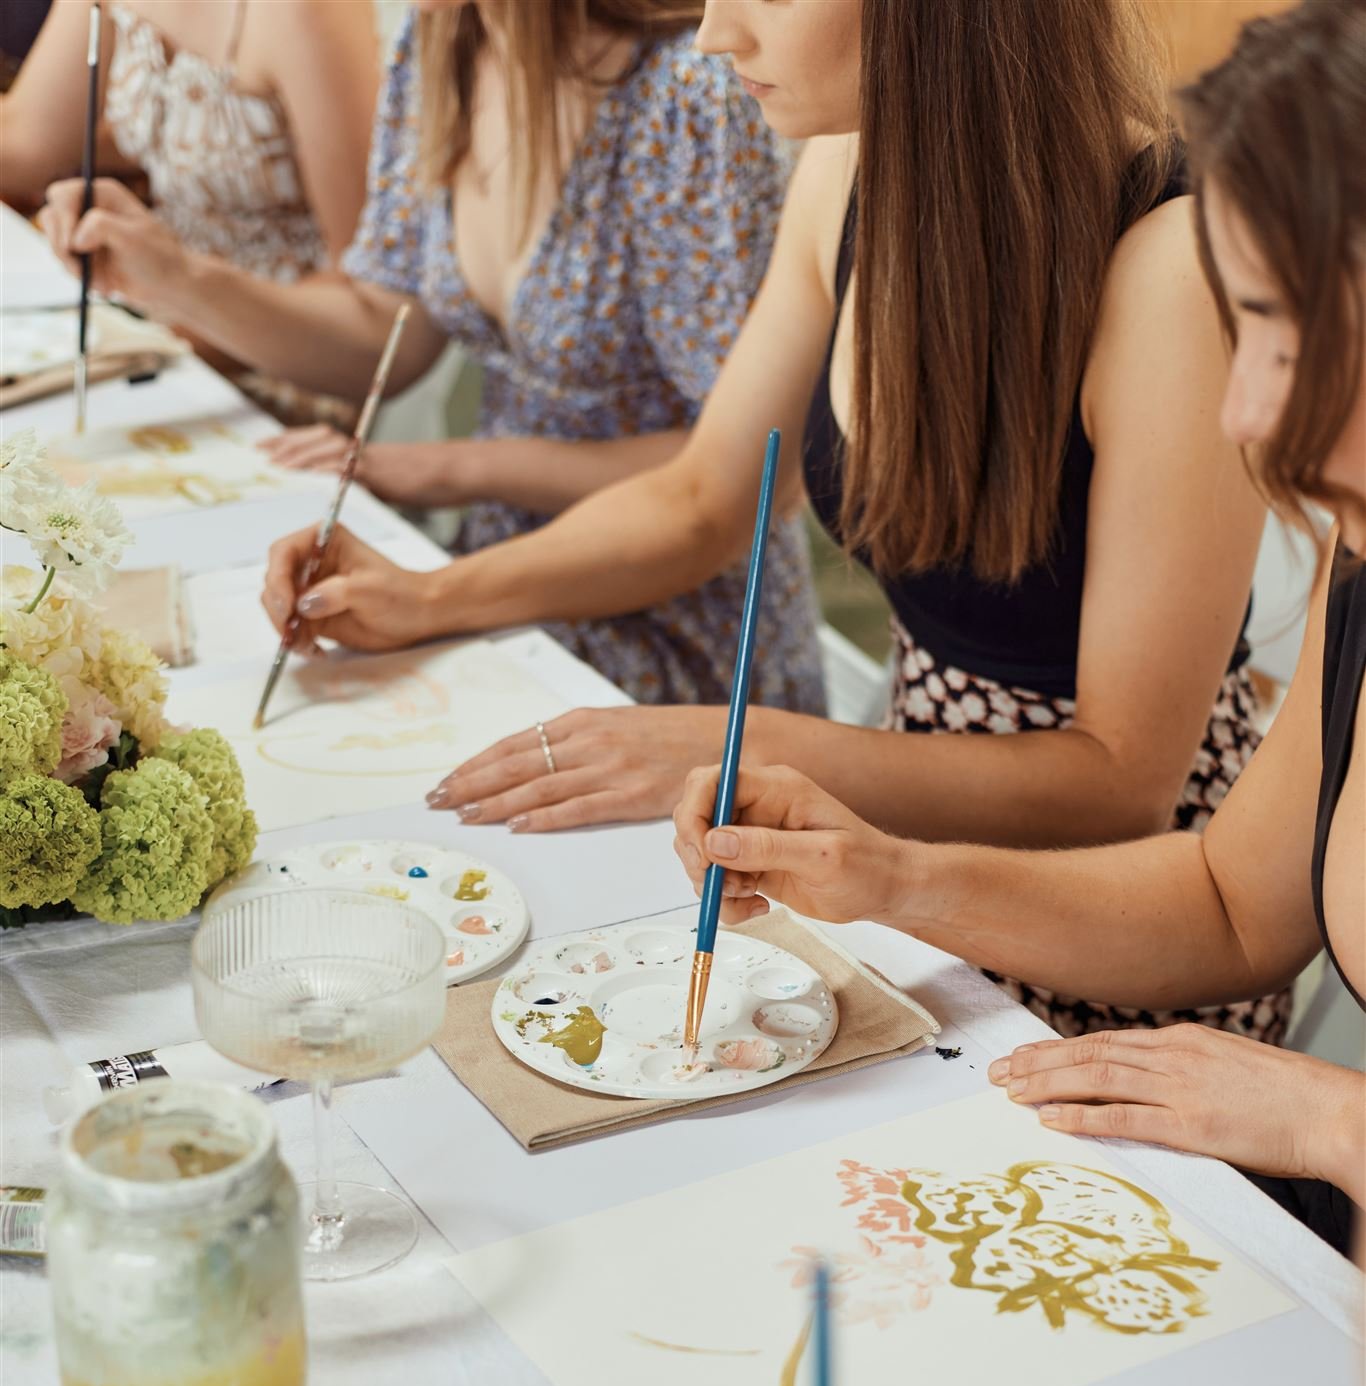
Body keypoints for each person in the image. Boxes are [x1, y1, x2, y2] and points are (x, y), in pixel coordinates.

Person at [258, 0, 1284, 1046]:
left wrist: (749, 738)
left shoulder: (1168, 268)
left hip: (1113, 937)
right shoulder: (848, 168)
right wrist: (425, 596)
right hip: (896, 863)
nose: (713, 32)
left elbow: (1119, 783)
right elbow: (703, 497)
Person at [672, 0, 1363, 1258]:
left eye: (1275, 327)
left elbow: (1137, 799)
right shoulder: (1354, 550)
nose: (1241, 415)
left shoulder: (1156, 267)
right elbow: (1230, 908)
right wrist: (886, 875)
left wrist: (1330, 1120)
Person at [39, 0, 821, 714]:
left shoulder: (691, 91)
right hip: (485, 571)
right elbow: (388, 333)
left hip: (674, 621)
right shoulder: (443, 33)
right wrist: (175, 278)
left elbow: (760, 478)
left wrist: (446, 469)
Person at [5, 0, 377, 290]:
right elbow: (24, 142)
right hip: (158, 311)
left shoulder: (309, 11)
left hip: (269, 339)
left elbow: (367, 290)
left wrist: (177, 319)